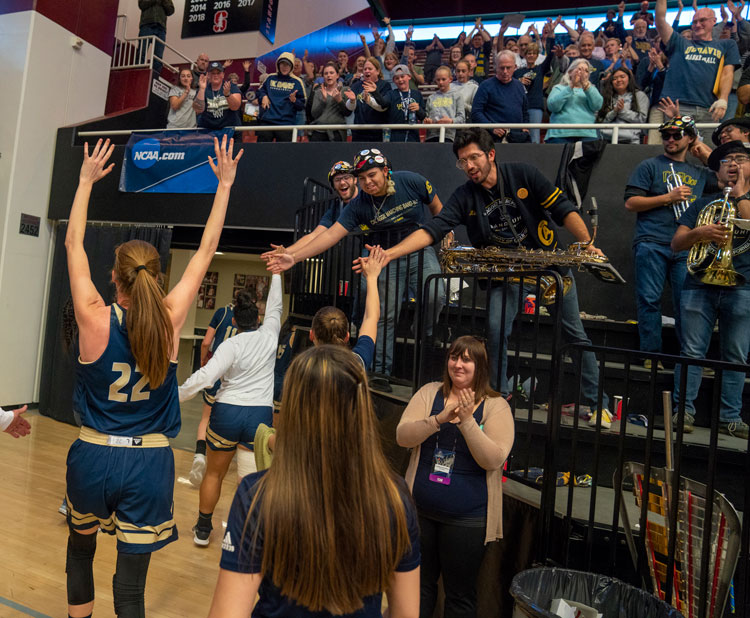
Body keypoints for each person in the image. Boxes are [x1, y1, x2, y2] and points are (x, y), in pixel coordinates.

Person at [64, 135, 242, 617]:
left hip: (94, 455)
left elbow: (73, 242)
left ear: (114, 278)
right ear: (156, 276)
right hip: (148, 462)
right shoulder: (170, 317)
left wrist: (84, 182)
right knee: (130, 586)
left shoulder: (93, 317)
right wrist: (223, 185)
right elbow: (206, 251)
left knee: (81, 552)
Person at [359, 128, 613, 426]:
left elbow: (564, 209)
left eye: (474, 157)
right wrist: (390, 254)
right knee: (494, 330)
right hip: (505, 274)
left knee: (574, 334)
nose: (469, 166)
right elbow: (434, 229)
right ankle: (498, 397)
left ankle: (599, 404)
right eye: (462, 161)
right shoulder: (464, 196)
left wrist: (587, 244)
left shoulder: (524, 175)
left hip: (550, 269)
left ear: (491, 154)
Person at [208, 345, 420, 618]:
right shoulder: (394, 497)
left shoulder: (258, 496)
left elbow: (228, 613)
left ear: (293, 409)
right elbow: (406, 613)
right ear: (362, 411)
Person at [266, 149, 445, 377]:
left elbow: (438, 209)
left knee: (436, 294)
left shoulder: (411, 181)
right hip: (381, 256)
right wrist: (293, 257)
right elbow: (329, 236)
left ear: (385, 171)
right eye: (362, 178)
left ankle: (425, 331)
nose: (367, 182)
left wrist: (443, 235)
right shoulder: (357, 204)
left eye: (371, 175)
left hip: (419, 249)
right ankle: (381, 374)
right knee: (383, 314)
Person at [397, 335, 513, 618]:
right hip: (419, 512)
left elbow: (494, 459)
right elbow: (402, 436)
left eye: (466, 359)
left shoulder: (497, 406)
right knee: (419, 589)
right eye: (453, 357)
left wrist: (467, 421)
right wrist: (438, 419)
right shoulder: (429, 393)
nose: (458, 364)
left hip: (467, 520)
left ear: (480, 366)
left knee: (460, 596)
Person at [178, 277, 282, 546]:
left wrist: (175, 396)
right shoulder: (270, 336)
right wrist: (277, 274)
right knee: (248, 480)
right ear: (258, 318)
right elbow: (276, 309)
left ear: (234, 322)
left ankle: (202, 530)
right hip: (258, 417)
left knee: (214, 474)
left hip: (227, 413)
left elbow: (205, 377)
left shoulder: (230, 345)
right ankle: (242, 533)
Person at [671, 140, 750, 439]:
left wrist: (741, 194)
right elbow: (676, 243)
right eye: (726, 160)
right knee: (691, 351)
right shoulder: (704, 203)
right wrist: (700, 232)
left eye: (741, 158)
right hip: (698, 284)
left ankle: (730, 417)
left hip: (743, 285)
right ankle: (684, 411)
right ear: (717, 170)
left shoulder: (747, 199)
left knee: (736, 355)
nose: (733, 164)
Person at [624, 116, 713, 366]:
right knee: (649, 299)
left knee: (688, 304)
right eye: (666, 135)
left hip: (685, 245)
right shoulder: (649, 165)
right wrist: (668, 197)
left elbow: (730, 180)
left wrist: (704, 154)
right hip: (651, 240)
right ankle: (651, 356)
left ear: (690, 138)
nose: (670, 139)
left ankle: (691, 360)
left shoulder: (699, 171)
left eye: (677, 135)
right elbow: (631, 203)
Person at [655, 0, 741, 143]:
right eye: (694, 22)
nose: (697, 25)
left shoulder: (726, 44)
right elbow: (660, 20)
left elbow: (727, 73)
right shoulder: (679, 43)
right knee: (678, 150)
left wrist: (723, 100)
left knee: (707, 153)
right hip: (678, 106)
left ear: (714, 21)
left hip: (710, 107)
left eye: (702, 20)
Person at [187, 298, 239, 488]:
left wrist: (203, 360)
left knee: (205, 417)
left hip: (217, 370)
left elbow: (206, 341)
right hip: (234, 376)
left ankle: (199, 454)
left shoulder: (222, 312)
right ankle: (218, 464)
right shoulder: (251, 320)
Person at [472, 51, 530, 144]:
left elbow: (525, 111)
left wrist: (525, 127)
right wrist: (491, 127)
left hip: (518, 137)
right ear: (496, 67)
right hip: (493, 139)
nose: (505, 71)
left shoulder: (519, 86)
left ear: (515, 67)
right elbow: (476, 112)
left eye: (508, 68)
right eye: (502, 68)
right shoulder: (485, 86)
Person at [545, 59, 604, 144]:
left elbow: (597, 106)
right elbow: (553, 107)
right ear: (570, 72)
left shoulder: (592, 89)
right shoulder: (559, 88)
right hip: (560, 134)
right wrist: (571, 87)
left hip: (587, 133)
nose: (582, 73)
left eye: (586, 71)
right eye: (579, 69)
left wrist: (587, 88)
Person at [256, 52, 307, 142]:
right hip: (267, 122)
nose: (284, 67)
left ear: (291, 66)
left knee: (284, 154)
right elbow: (259, 91)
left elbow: (302, 105)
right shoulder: (270, 78)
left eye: (287, 64)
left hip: (286, 124)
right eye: (282, 64)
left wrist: (294, 100)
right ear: (278, 65)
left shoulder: (297, 82)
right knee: (261, 153)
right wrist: (263, 96)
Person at [372, 64, 426, 143]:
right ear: (393, 81)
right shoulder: (391, 94)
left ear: (409, 77)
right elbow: (383, 103)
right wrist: (374, 92)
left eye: (402, 76)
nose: (400, 80)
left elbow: (423, 116)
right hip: (395, 136)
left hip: (412, 136)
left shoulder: (417, 94)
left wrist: (418, 109)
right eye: (397, 78)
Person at [513, 41, 554, 144]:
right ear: (525, 55)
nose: (531, 55)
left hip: (535, 105)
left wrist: (551, 37)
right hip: (519, 106)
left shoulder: (540, 68)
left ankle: (534, 158)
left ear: (537, 56)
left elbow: (550, 56)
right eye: (529, 53)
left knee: (534, 135)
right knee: (519, 133)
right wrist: (519, 81)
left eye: (534, 53)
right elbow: (510, 86)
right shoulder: (517, 72)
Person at [597, 67, 649, 143]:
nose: (618, 80)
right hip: (607, 141)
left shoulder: (639, 95)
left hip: (630, 142)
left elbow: (642, 120)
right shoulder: (607, 97)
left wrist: (622, 111)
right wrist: (614, 112)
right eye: (615, 78)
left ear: (629, 79)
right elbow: (602, 122)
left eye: (622, 77)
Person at [345, 57, 390, 142]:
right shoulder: (356, 85)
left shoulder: (385, 85)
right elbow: (350, 109)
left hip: (377, 133)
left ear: (378, 71)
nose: (366, 71)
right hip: (358, 132)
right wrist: (352, 101)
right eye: (365, 69)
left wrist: (370, 98)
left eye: (370, 68)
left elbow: (384, 106)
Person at [309, 62, 351, 142]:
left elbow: (347, 113)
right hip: (319, 132)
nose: (328, 75)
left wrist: (339, 100)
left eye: (331, 73)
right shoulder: (318, 91)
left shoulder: (345, 90)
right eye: (326, 73)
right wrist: (323, 101)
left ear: (337, 75)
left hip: (338, 132)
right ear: (323, 77)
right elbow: (314, 114)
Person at [194, 61, 242, 130]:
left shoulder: (231, 86)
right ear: (208, 75)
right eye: (213, 73)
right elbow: (197, 110)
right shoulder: (203, 88)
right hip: (208, 130)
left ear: (223, 75)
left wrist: (228, 95)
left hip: (229, 129)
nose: (215, 75)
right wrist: (201, 89)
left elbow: (235, 107)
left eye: (218, 73)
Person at [424, 66, 465, 143]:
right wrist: (427, 121)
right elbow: (426, 117)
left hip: (449, 136)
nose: (441, 82)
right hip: (431, 136)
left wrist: (451, 121)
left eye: (443, 79)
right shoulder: (431, 98)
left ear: (450, 79)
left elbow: (462, 119)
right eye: (438, 80)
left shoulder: (457, 96)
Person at [137, 0, 173, 73]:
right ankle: (138, 71)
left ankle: (155, 75)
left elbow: (171, 11)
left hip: (161, 28)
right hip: (147, 25)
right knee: (142, 51)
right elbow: (142, 5)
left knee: (158, 56)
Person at [462, 17, 494, 82]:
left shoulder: (485, 51)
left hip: (482, 79)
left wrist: (479, 28)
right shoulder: (469, 52)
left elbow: (488, 40)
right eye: (475, 39)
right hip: (469, 78)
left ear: (482, 41)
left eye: (479, 39)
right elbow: (465, 42)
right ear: (472, 41)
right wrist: (474, 28)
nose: (477, 41)